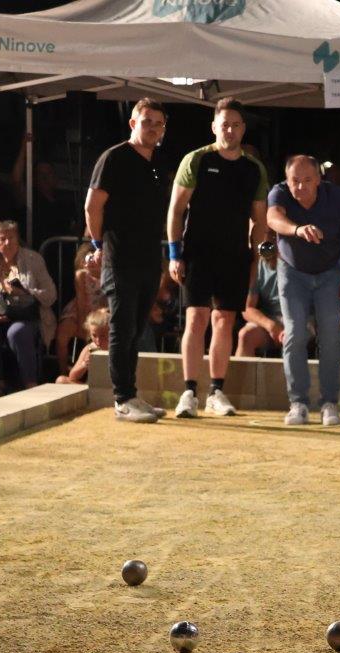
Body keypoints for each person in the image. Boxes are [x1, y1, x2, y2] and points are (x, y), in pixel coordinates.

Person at [167, 98, 269, 418]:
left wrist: (257, 256)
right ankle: (188, 392)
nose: (230, 130)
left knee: (224, 320)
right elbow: (176, 210)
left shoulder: (254, 168)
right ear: (214, 127)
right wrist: (174, 254)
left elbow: (260, 220)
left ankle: (216, 391)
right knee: (196, 318)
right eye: (224, 124)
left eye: (235, 125)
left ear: (243, 128)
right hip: (197, 252)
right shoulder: (196, 159)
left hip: (235, 255)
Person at [84, 98, 172, 423]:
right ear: (133, 123)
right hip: (119, 257)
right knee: (121, 328)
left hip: (149, 257)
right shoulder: (114, 157)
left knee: (135, 329)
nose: (153, 128)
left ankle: (131, 394)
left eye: (159, 124)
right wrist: (98, 244)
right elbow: (92, 206)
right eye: (147, 121)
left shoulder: (158, 161)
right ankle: (122, 398)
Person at [265, 154, 340, 426]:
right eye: (295, 181)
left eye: (307, 180)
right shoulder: (279, 193)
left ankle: (330, 402)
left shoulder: (337, 197)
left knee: (331, 336)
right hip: (292, 272)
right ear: (287, 181)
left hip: (330, 272)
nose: (301, 187)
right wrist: (297, 230)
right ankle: (298, 402)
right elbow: (273, 218)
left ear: (319, 179)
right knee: (295, 333)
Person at [0, 220, 57, 395]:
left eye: (11, 237)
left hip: (25, 315)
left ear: (18, 240)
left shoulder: (33, 259)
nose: (7, 242)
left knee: (17, 332)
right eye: (2, 239)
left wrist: (26, 291)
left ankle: (30, 384)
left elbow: (51, 294)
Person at [56, 243, 106, 374]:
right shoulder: (81, 275)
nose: (90, 263)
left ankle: (95, 372)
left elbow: (106, 301)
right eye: (86, 259)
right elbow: (81, 301)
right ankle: (63, 371)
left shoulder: (107, 275)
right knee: (62, 335)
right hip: (80, 310)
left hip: (99, 312)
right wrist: (82, 324)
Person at [236, 240, 286, 357]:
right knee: (246, 335)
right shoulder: (258, 266)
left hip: (302, 319)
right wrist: (270, 325)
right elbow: (247, 308)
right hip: (271, 318)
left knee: (292, 340)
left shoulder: (303, 262)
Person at [57, 308, 109, 385]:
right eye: (94, 335)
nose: (98, 340)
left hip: (113, 388)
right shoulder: (90, 349)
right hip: (92, 387)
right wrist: (84, 365)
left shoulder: (117, 348)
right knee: (61, 380)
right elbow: (72, 377)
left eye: (103, 336)